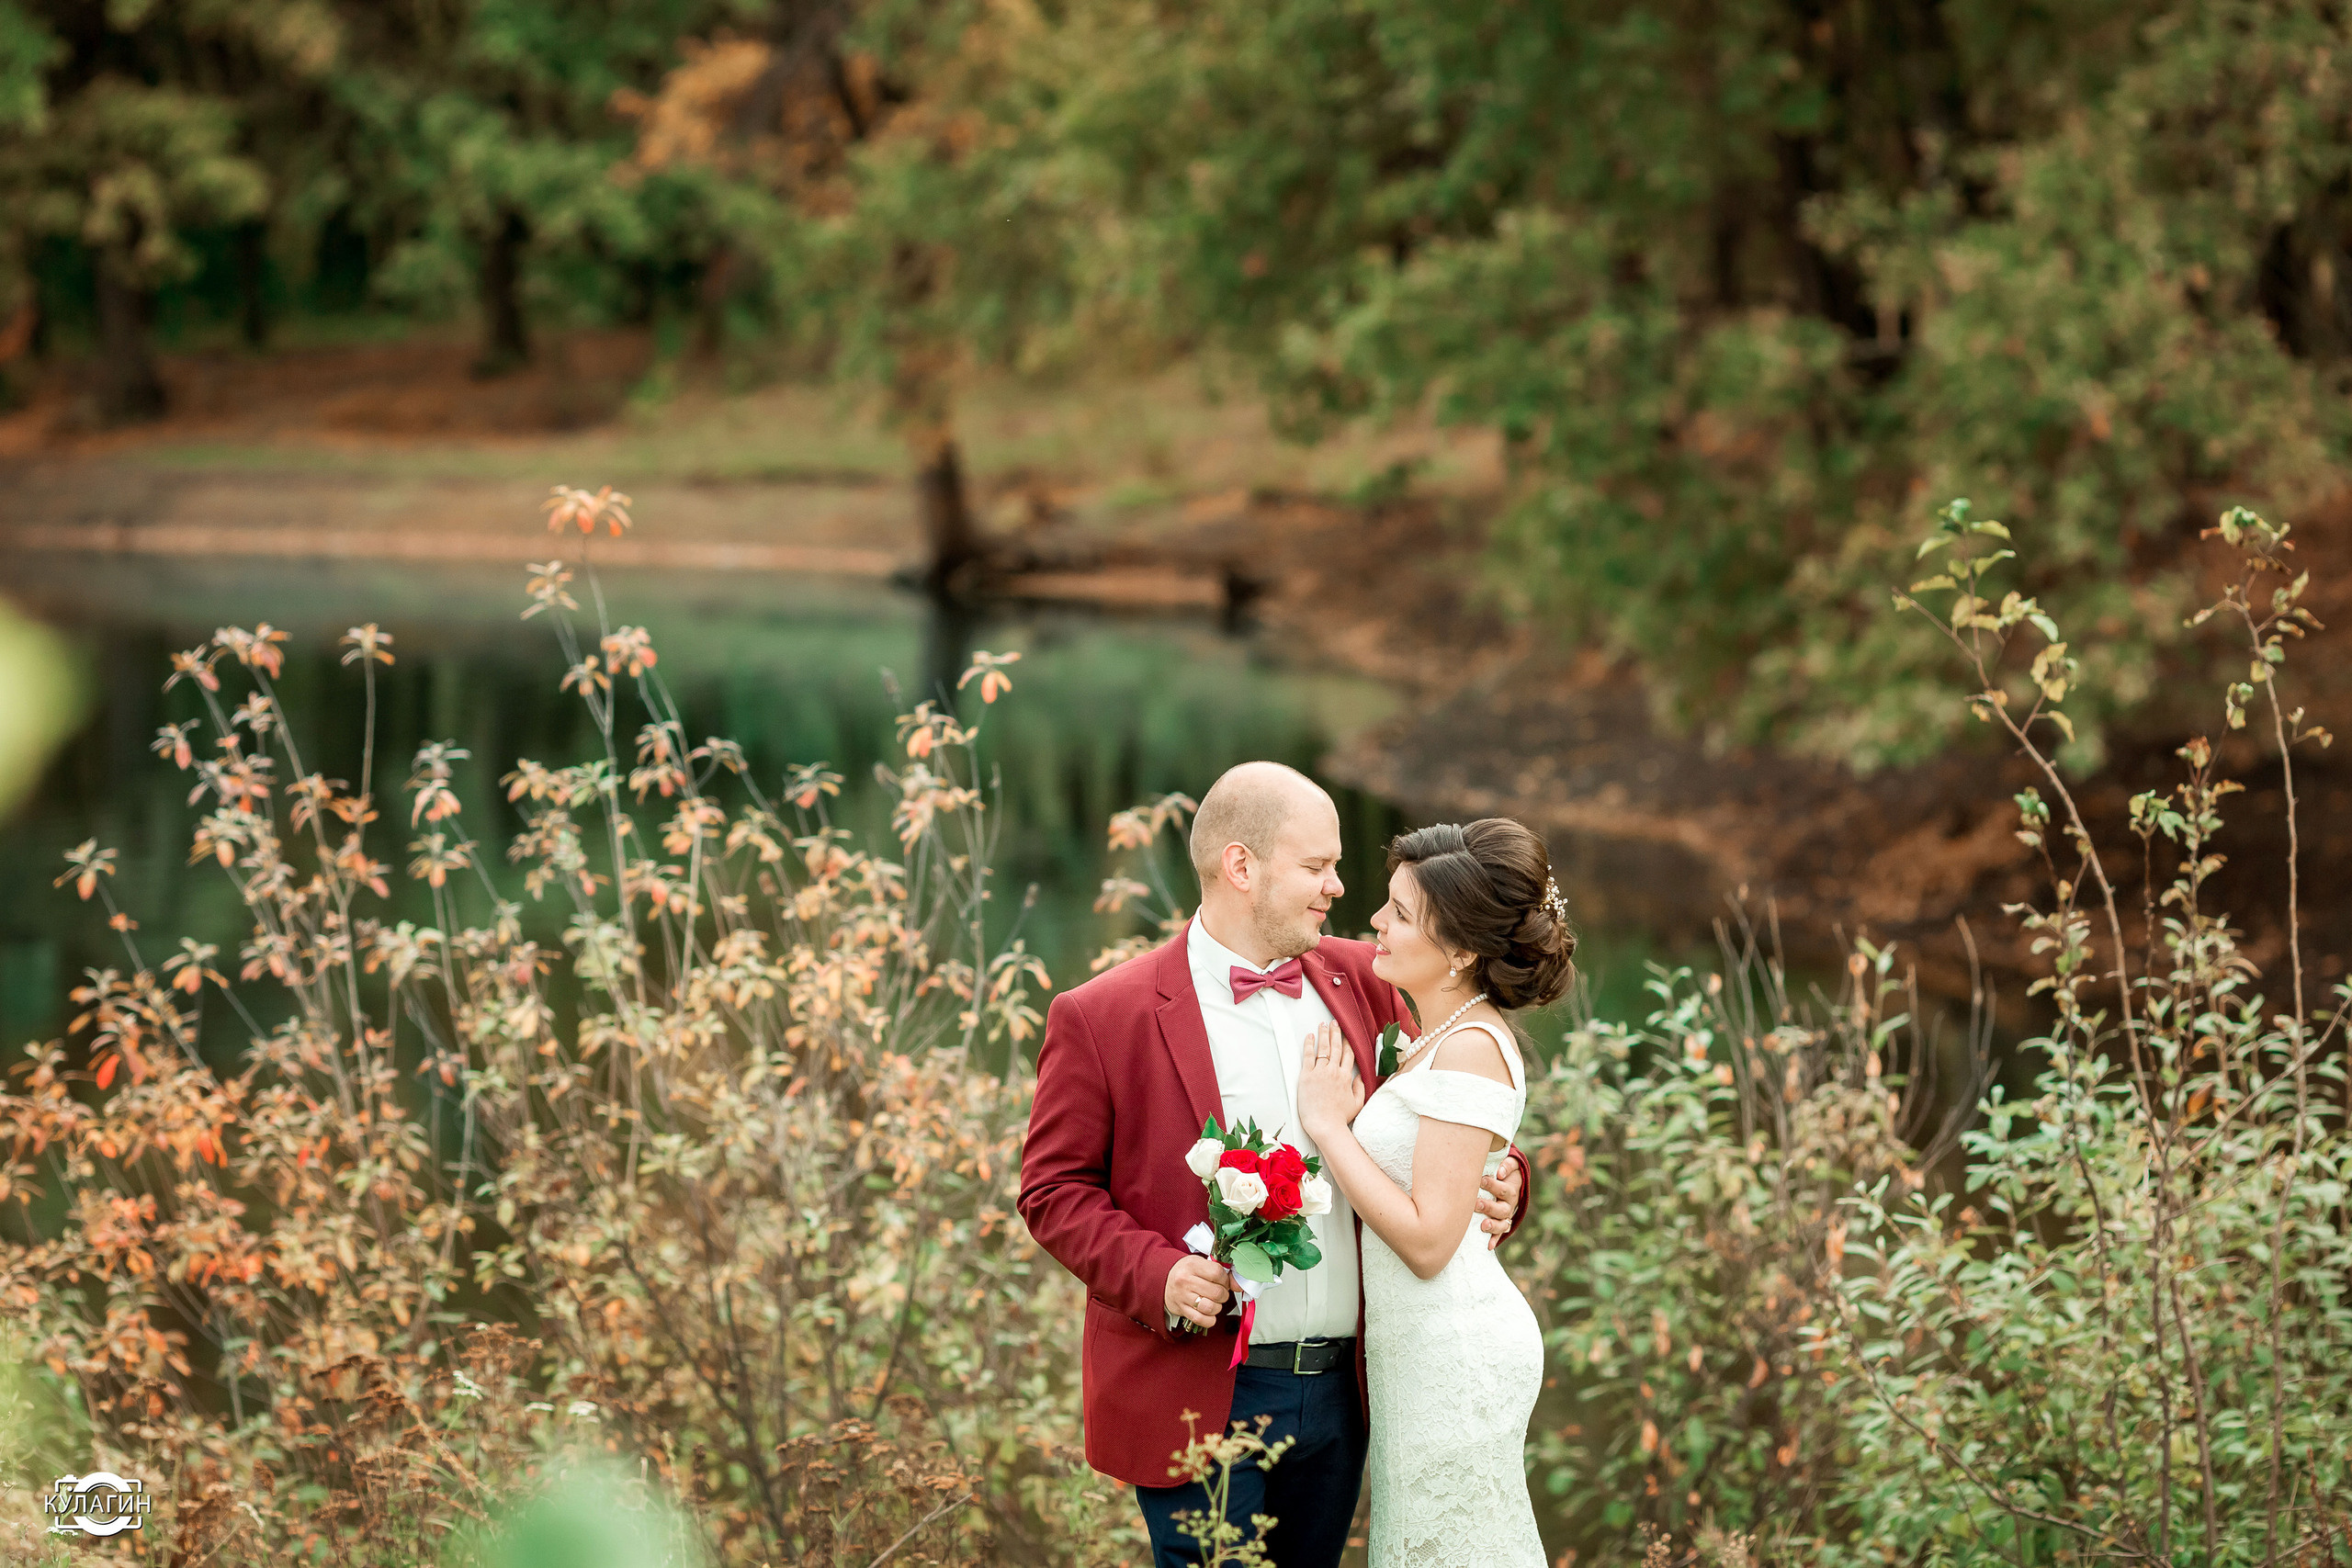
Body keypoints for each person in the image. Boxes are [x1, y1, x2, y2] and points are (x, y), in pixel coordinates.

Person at [1017, 763, 1533, 1568]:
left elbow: (1457, 1098)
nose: (1337, 886)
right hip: (1201, 1385)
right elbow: (1052, 1190)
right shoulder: (1101, 1015)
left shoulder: (1373, 977)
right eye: (1316, 866)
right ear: (1241, 867)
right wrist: (1158, 1274)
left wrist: (1502, 1180)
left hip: (1347, 1390)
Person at [1295, 818, 1574, 1567]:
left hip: (1453, 1349)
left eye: (1401, 913)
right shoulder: (1437, 1032)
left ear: (1461, 950)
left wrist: (1329, 1126)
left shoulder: (1471, 1045)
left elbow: (1425, 1241)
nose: (1376, 921)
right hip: (1417, 1349)